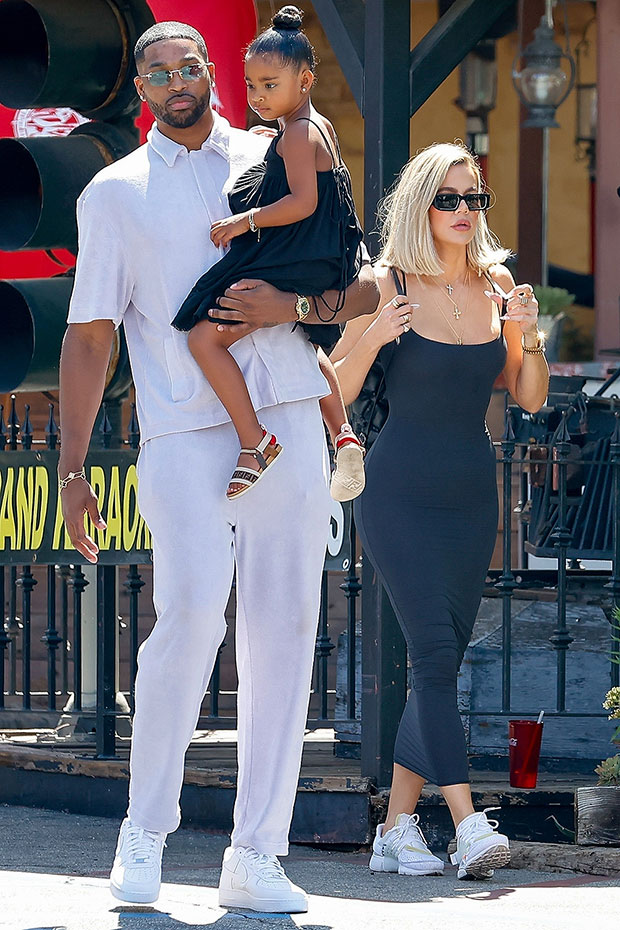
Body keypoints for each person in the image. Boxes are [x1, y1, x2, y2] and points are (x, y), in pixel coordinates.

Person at [58, 20, 378, 913]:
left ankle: (257, 855)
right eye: (155, 70)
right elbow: (89, 337)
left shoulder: (282, 150)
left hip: (288, 419)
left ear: (212, 71)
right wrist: (73, 469)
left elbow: (362, 285)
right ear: (139, 87)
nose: (173, 81)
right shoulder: (114, 192)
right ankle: (145, 825)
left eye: (186, 64)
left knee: (282, 635)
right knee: (192, 613)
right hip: (181, 428)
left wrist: (295, 300)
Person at [331, 142, 549, 880]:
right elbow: (333, 384)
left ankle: (394, 826)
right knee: (431, 654)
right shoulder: (384, 280)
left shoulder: (496, 284)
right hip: (397, 490)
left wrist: (527, 329)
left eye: (474, 199)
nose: (464, 212)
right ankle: (466, 823)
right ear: (422, 204)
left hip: (467, 491)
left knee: (440, 662)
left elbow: (528, 396)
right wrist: (374, 332)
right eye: (449, 198)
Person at [172, 6, 365, 504]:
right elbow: (307, 169)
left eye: (269, 86)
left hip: (297, 254)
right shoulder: (305, 127)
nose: (258, 97)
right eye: (251, 86)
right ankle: (342, 431)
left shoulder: (297, 134)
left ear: (305, 81)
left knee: (202, 338)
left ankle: (254, 441)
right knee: (306, 342)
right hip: (322, 254)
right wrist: (274, 138)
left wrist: (245, 221)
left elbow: (303, 201)